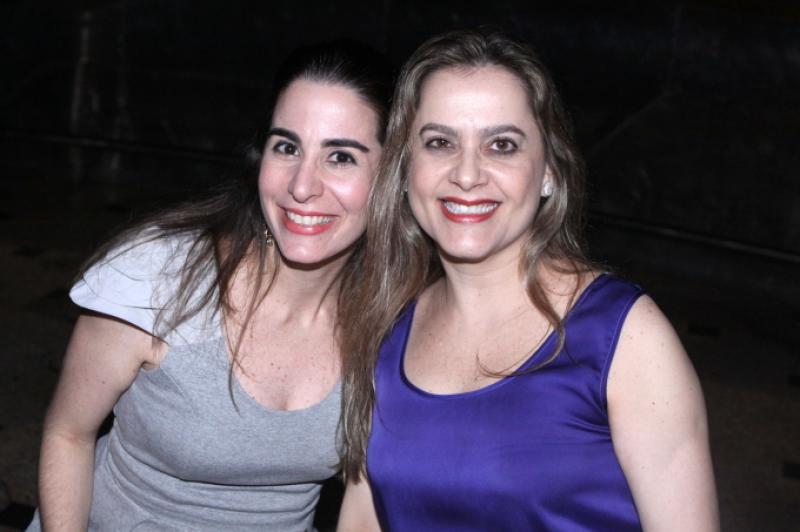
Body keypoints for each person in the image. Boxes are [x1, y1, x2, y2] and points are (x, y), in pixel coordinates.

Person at [336, 29, 719, 531]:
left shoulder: (624, 339)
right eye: (440, 143)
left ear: (549, 172)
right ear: (406, 170)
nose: (467, 174)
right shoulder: (387, 330)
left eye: (501, 145)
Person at [27, 40, 392, 531]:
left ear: (392, 175)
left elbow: (367, 492)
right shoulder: (160, 275)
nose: (301, 186)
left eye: (341, 157)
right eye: (287, 147)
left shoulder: (392, 318)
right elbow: (69, 433)